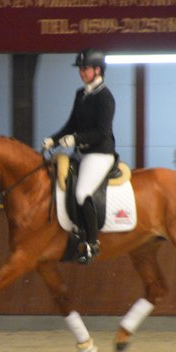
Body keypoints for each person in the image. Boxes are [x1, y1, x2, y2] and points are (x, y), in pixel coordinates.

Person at [42, 48, 116, 264]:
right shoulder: (81, 94)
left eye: (85, 69)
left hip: (99, 154)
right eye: (80, 69)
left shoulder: (105, 97)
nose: (82, 72)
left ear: (98, 70)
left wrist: (76, 139)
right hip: (80, 153)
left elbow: (101, 132)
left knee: (82, 192)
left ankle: (93, 243)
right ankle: (73, 231)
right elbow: (71, 125)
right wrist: (54, 140)